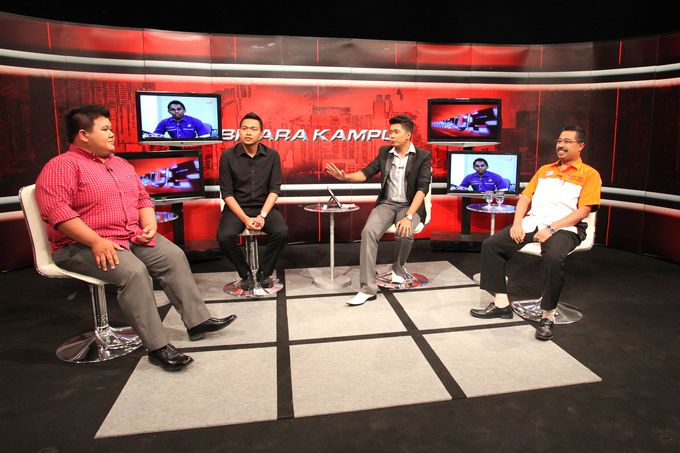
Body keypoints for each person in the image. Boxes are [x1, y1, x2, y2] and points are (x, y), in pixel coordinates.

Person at [35, 105, 236, 372]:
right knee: (135, 273)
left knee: (173, 255)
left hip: (129, 236)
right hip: (81, 245)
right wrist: (96, 241)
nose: (112, 134)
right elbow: (56, 212)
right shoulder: (62, 166)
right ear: (83, 135)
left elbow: (143, 199)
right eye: (105, 129)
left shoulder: (120, 164)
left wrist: (149, 225)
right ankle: (158, 347)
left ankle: (198, 321)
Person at [470, 125, 601, 340]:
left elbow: (584, 211)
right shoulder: (544, 170)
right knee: (491, 245)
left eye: (567, 141)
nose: (561, 145)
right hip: (534, 222)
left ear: (580, 146)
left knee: (553, 257)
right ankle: (501, 304)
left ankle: (548, 316)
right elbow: (525, 198)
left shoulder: (589, 174)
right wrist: (516, 224)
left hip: (565, 228)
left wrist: (552, 228)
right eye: (559, 140)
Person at [326, 115, 432, 306]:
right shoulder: (385, 152)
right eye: (390, 131)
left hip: (410, 205)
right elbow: (365, 173)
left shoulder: (422, 156)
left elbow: (422, 189)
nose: (391, 135)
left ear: (408, 135)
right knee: (368, 232)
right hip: (387, 204)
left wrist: (409, 216)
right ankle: (367, 288)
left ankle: (398, 267)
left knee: (405, 232)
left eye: (396, 132)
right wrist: (345, 177)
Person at [217, 112, 288, 290]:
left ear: (261, 134)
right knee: (224, 236)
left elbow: (274, 189)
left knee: (282, 232)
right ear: (239, 131)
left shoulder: (272, 156)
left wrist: (262, 215)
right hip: (237, 208)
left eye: (253, 129)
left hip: (264, 207)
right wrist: (245, 218)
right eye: (244, 128)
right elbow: (227, 193)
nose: (248, 132)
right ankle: (245, 274)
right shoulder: (227, 156)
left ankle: (264, 272)